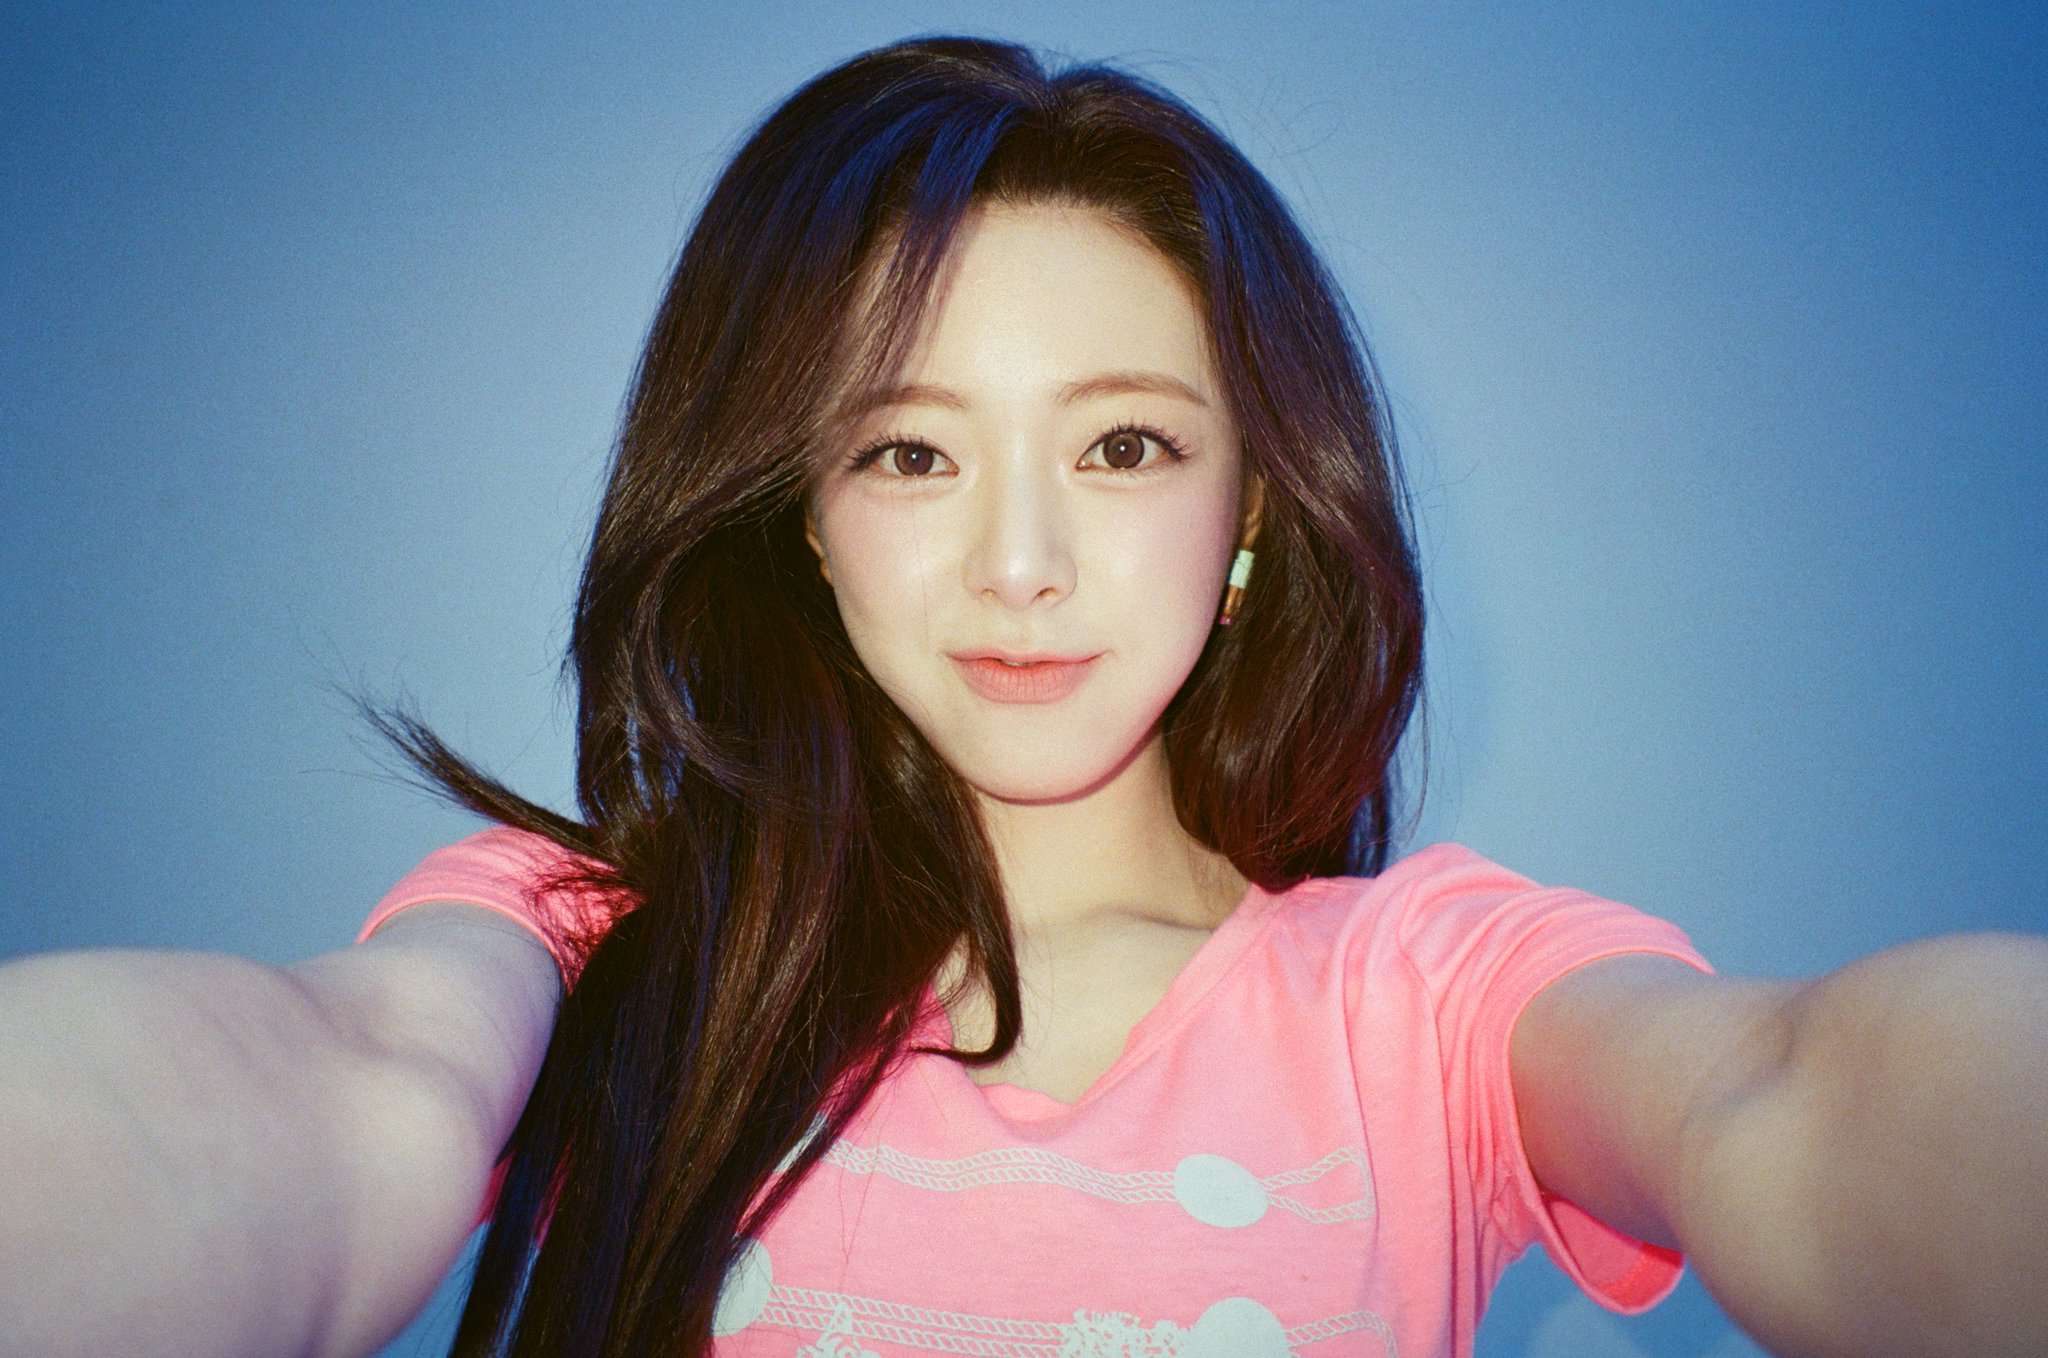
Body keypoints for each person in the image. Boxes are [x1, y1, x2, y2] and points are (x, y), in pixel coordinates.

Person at [3, 33, 2042, 1358]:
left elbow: (1781, 1093)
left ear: (1255, 510)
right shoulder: (588, 942)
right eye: (907, 452)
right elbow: (326, 1088)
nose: (1019, 562)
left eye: (1124, 445)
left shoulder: (1430, 998)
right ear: (803, 521)